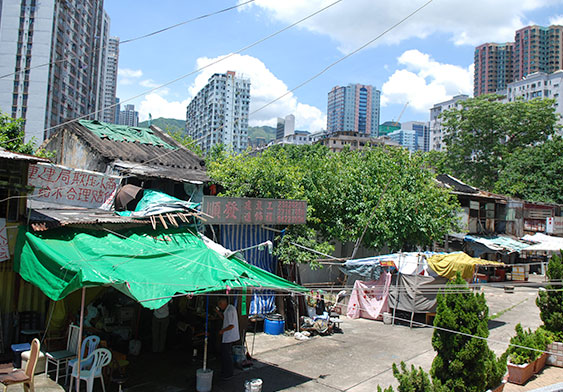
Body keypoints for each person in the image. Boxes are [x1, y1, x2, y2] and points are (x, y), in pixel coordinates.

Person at [216, 297, 239, 379]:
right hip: (229, 336)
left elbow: (231, 325)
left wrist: (222, 331)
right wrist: (218, 313)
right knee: (226, 354)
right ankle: (226, 371)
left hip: (228, 336)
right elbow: (225, 319)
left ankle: (228, 373)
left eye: (220, 304)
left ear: (224, 302)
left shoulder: (229, 311)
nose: (220, 306)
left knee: (226, 355)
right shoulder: (230, 308)